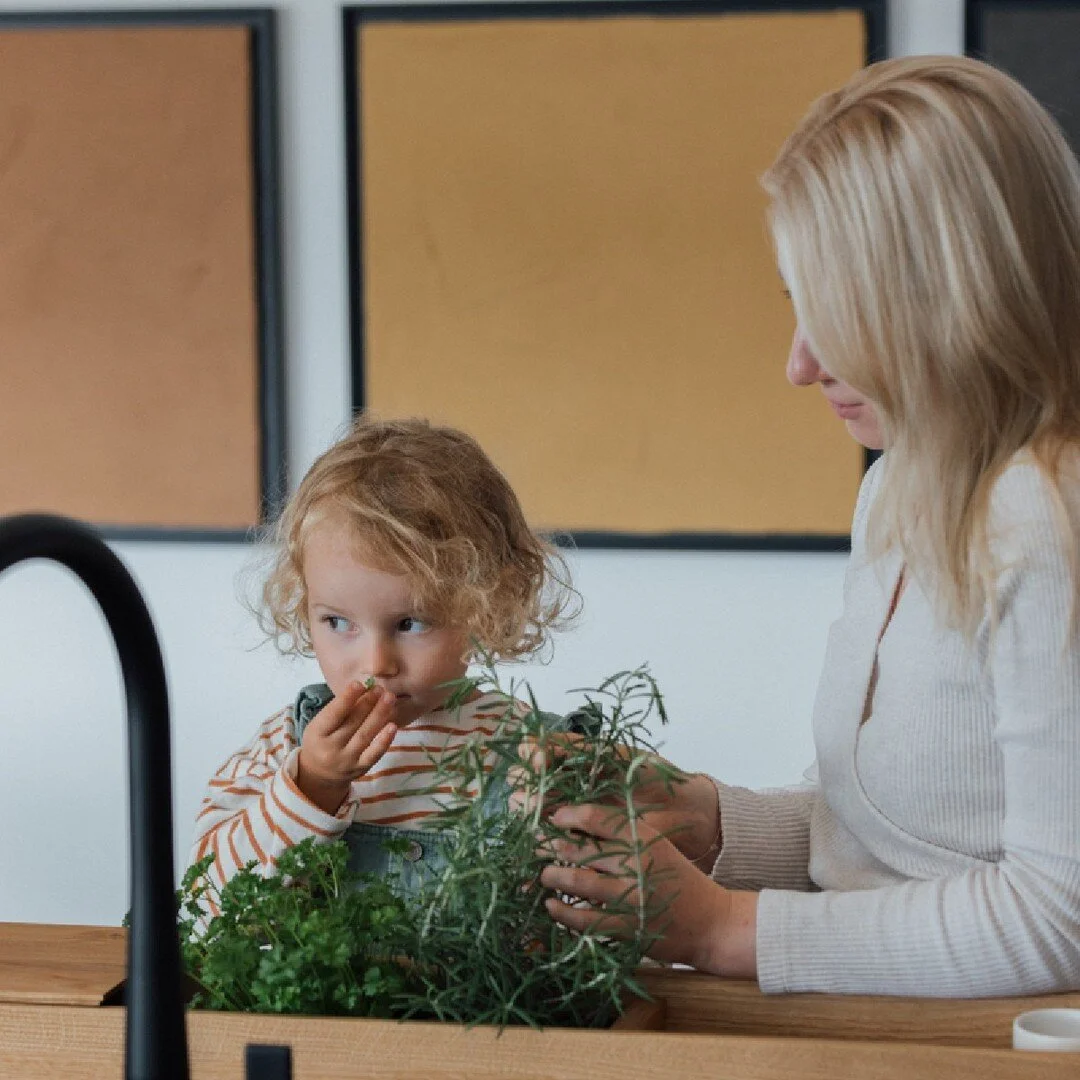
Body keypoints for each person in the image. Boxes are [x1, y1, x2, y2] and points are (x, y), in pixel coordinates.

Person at [537, 55, 1080, 997]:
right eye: (800, 308)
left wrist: (725, 930)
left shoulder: (1044, 518)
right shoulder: (903, 485)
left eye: (840, 313)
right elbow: (888, 847)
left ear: (950, 296)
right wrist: (708, 819)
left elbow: (1058, 917)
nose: (798, 365)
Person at [189, 415, 576, 909]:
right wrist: (311, 786)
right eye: (337, 622)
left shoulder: (535, 754)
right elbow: (207, 908)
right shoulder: (280, 748)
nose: (374, 665)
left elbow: (604, 925)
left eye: (411, 624)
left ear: (486, 607)